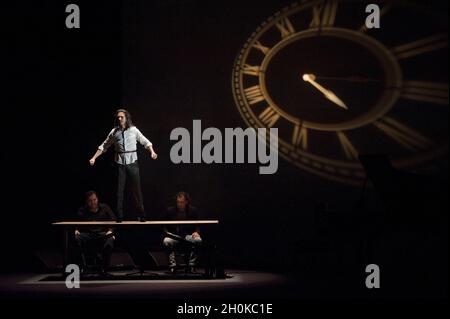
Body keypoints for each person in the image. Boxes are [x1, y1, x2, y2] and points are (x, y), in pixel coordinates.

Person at [88, 109, 158, 222]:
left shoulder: (133, 130)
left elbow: (145, 141)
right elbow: (104, 146)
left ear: (126, 118)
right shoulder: (114, 132)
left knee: (136, 191)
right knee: (118, 191)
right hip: (119, 164)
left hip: (132, 163)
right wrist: (94, 157)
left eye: (122, 117)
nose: (120, 119)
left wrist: (152, 152)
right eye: (118, 117)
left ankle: (141, 215)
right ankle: (119, 216)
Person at [75, 191, 116, 275]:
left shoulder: (105, 208)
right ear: (87, 202)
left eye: (94, 199)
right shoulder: (82, 210)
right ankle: (82, 267)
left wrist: (110, 231)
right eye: (90, 201)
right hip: (88, 234)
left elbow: (113, 221)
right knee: (76, 238)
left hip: (102, 234)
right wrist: (76, 229)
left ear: (97, 199)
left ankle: (104, 268)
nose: (93, 202)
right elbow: (77, 223)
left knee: (110, 239)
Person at [163, 192, 202, 273]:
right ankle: (172, 266)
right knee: (166, 241)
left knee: (198, 240)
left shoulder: (193, 210)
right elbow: (164, 225)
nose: (179, 204)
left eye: (181, 202)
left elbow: (198, 225)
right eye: (178, 202)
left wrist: (197, 232)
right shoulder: (170, 211)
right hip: (174, 235)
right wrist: (167, 233)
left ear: (186, 202)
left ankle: (192, 265)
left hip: (188, 235)